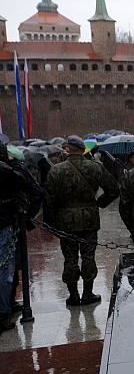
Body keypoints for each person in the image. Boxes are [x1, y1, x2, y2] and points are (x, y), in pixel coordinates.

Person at [44, 135, 119, 306]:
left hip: (65, 220)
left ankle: (73, 295)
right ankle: (87, 293)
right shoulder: (95, 167)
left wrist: (51, 223)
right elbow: (113, 189)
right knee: (88, 256)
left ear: (68, 149)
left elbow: (48, 199)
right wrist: (99, 203)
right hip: (88, 218)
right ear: (83, 149)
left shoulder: (56, 170)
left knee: (69, 257)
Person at [0, 142, 43, 332]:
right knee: (6, 270)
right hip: (5, 223)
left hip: (7, 222)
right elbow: (34, 190)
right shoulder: (8, 172)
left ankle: (7, 304)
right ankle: (3, 311)